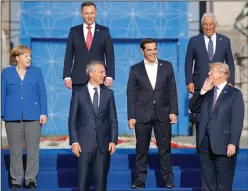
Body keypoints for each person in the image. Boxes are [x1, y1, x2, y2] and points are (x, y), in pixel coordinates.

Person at [127, 38, 178, 189]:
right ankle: (140, 180)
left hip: (163, 113)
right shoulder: (135, 69)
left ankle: (168, 179)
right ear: (142, 51)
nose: (153, 52)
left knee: (165, 149)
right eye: (149, 49)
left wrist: (173, 111)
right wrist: (131, 116)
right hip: (142, 114)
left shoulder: (167, 66)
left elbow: (172, 91)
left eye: (154, 49)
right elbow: (131, 94)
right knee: (141, 149)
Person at [190, 63, 244, 191]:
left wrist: (233, 143)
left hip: (224, 145)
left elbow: (237, 121)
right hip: (205, 144)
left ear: (222, 74)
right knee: (207, 184)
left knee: (224, 184)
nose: (208, 74)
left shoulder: (234, 94)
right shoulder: (206, 92)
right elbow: (193, 108)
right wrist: (202, 91)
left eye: (211, 72)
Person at [1, 45, 48, 189]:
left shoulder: (36, 72)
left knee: (33, 150)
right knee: (15, 151)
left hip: (33, 116)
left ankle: (30, 179)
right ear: (17, 58)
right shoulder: (6, 72)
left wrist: (43, 112)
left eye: (30, 56)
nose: (29, 58)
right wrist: (1, 114)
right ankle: (16, 180)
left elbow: (42, 94)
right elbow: (2, 94)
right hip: (12, 117)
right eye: (26, 56)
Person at [68, 60, 118, 191]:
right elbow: (72, 120)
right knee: (83, 182)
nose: (104, 74)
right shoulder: (78, 93)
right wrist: (74, 142)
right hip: (84, 145)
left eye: (104, 72)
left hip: (103, 145)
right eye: (101, 72)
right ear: (91, 73)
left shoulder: (109, 93)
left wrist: (113, 141)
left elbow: (113, 119)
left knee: (101, 183)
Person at [63, 1, 115, 89]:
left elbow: (110, 56)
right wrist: (67, 76)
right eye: (86, 13)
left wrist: (110, 76)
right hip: (78, 78)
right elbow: (69, 55)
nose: (89, 16)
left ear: (96, 13)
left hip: (99, 78)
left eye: (92, 13)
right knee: (77, 103)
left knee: (99, 103)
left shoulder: (104, 31)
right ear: (81, 14)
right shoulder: (74, 31)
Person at [185, 13, 235, 94]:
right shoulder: (194, 41)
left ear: (215, 24)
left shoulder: (225, 41)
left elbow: (230, 63)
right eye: (205, 24)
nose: (208, 27)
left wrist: (230, 81)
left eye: (211, 24)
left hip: (219, 84)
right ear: (202, 25)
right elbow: (188, 63)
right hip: (199, 85)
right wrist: (189, 81)